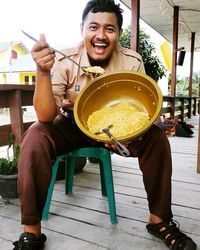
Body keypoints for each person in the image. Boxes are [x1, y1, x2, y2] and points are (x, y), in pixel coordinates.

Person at [13, 0, 196, 249]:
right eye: (94, 27)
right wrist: (42, 72)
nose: (101, 35)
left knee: (156, 139)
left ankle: (159, 219)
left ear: (119, 33)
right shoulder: (66, 60)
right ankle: (31, 232)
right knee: (35, 134)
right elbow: (46, 115)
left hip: (119, 128)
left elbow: (141, 106)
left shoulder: (131, 61)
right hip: (73, 124)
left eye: (109, 29)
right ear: (82, 29)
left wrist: (126, 132)